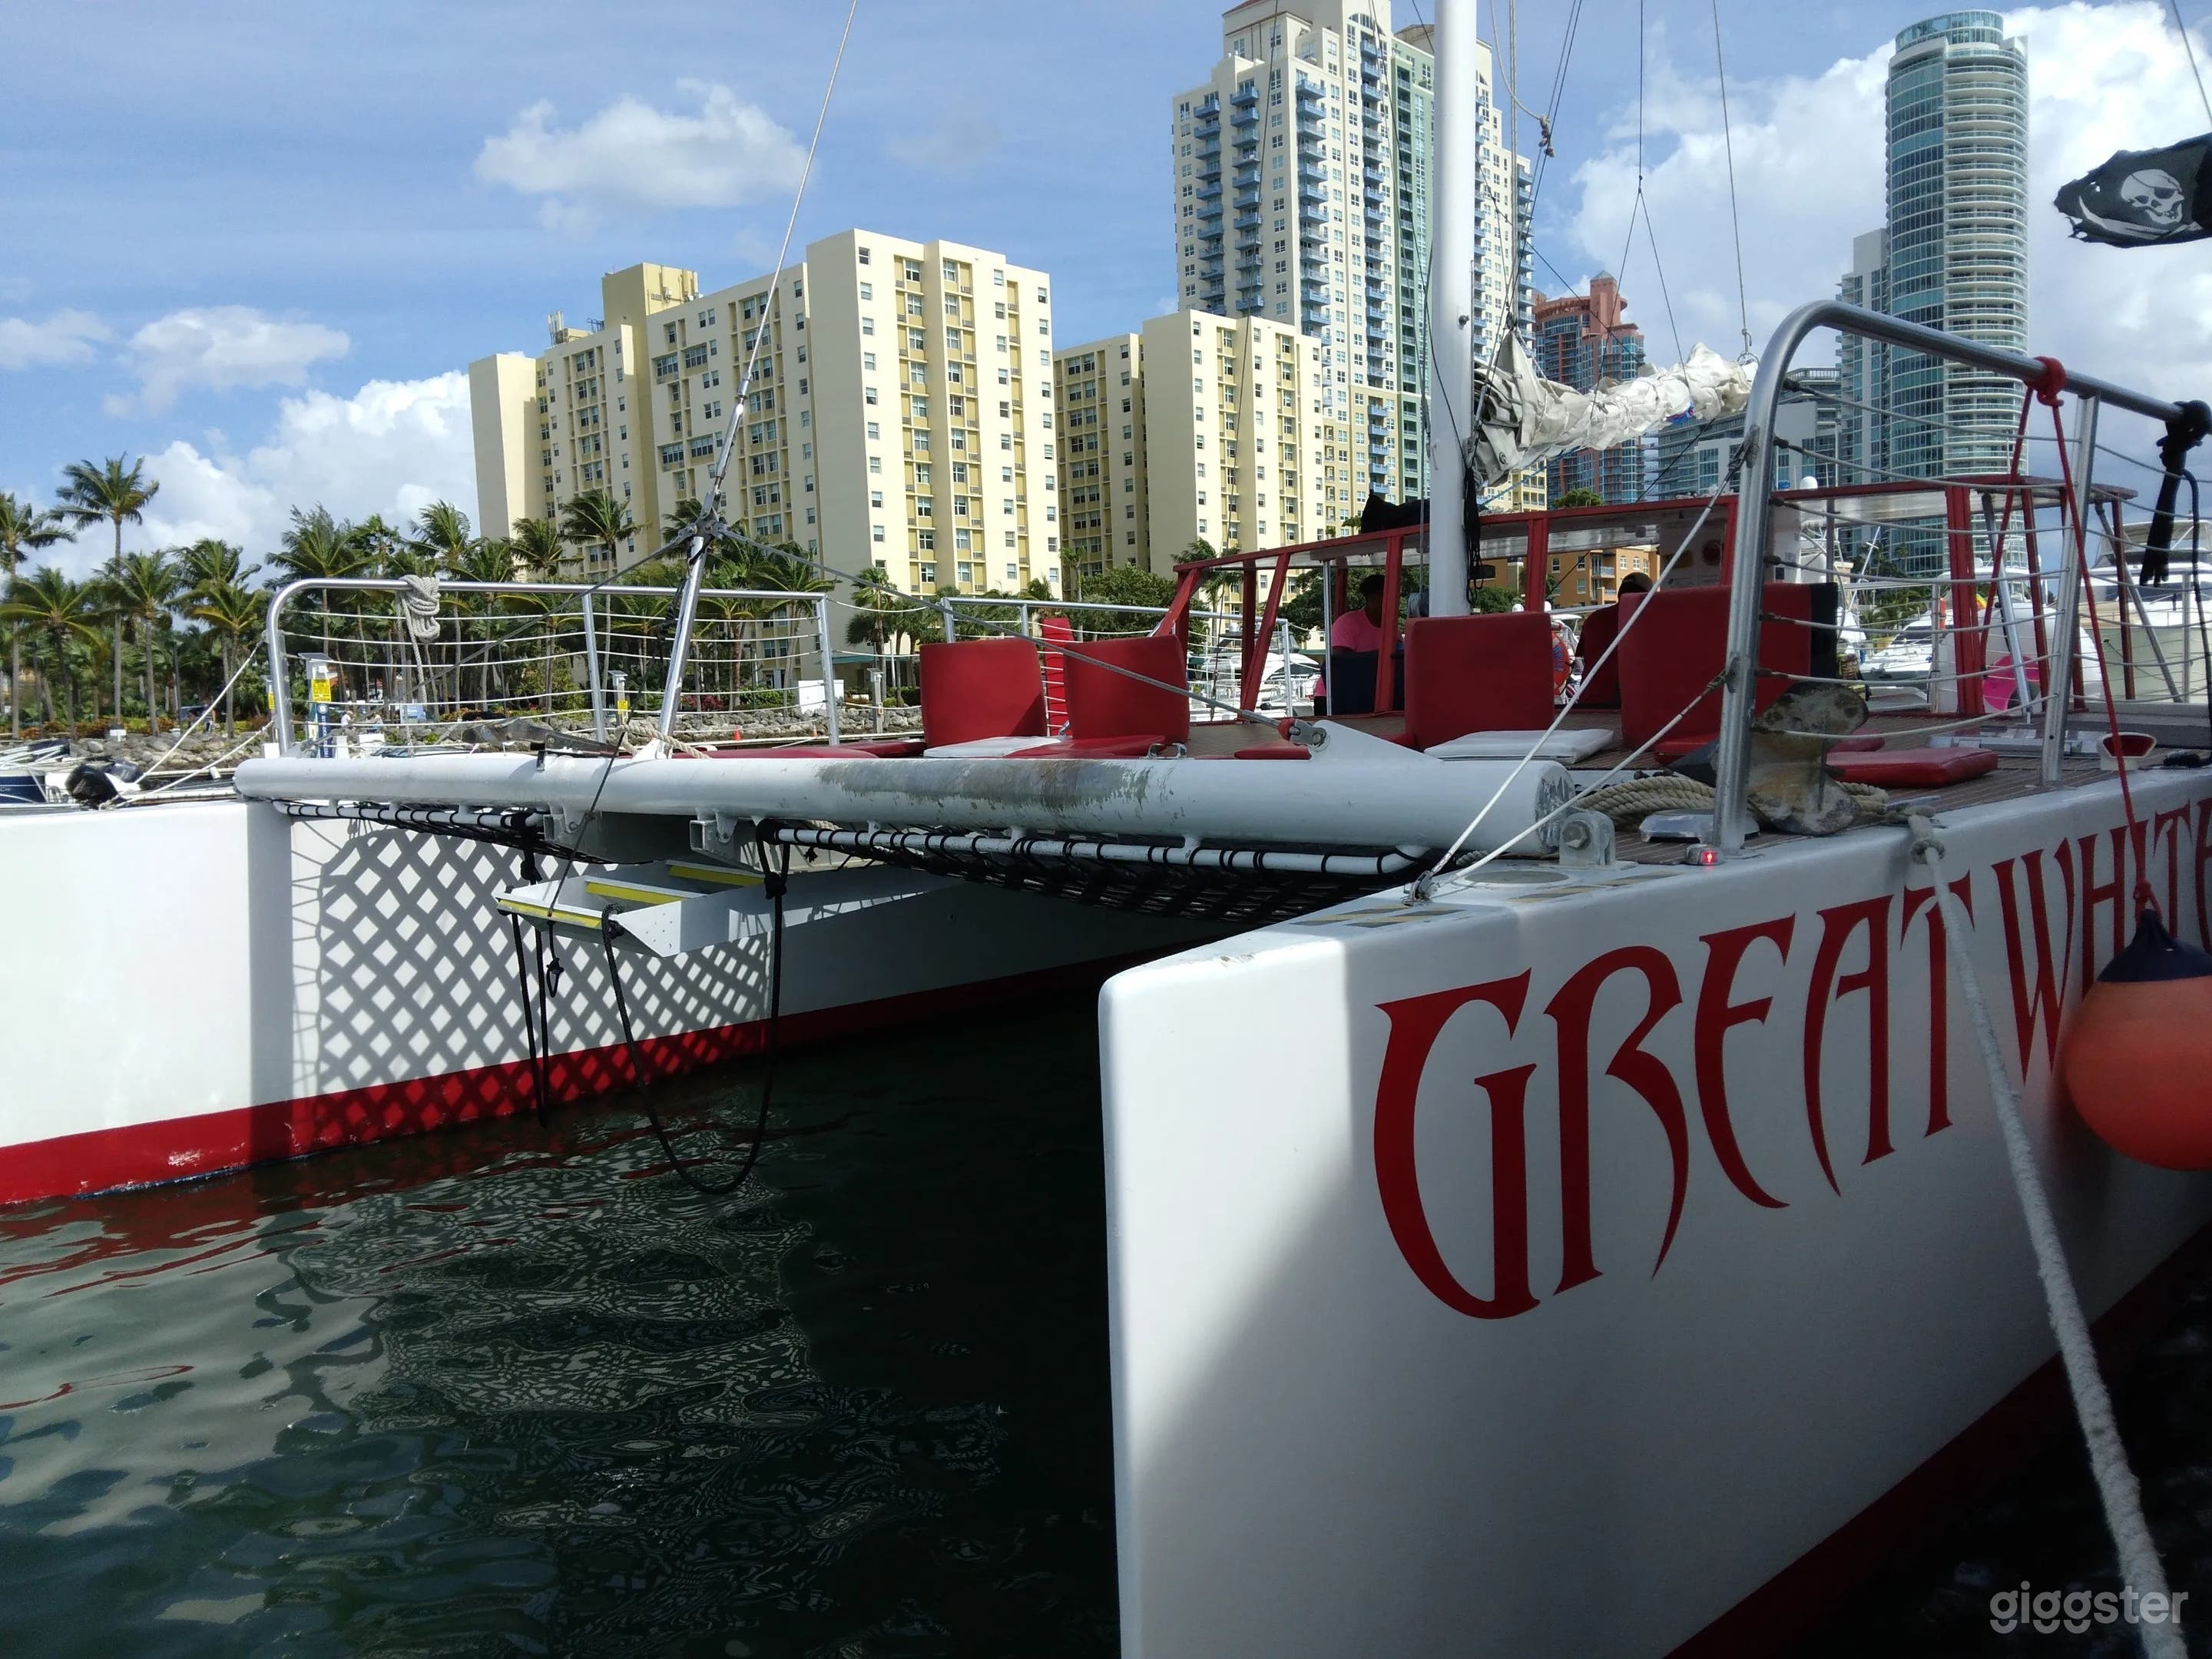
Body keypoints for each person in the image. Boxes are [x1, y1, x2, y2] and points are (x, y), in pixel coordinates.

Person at [1326, 573, 1392, 715]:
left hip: (1373, 695)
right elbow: (1341, 663)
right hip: (1336, 695)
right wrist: (1379, 658)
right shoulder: (1348, 623)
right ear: (1372, 598)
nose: (1395, 600)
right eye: (1389, 595)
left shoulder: (1393, 630)